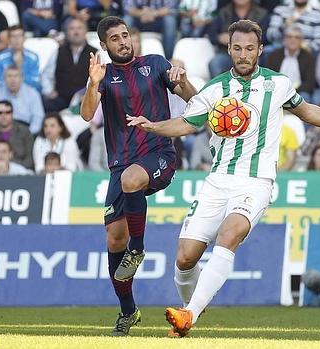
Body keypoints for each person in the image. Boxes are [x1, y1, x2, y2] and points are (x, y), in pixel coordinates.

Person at [125, 19, 320, 337]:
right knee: (185, 258)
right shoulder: (215, 89)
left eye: (250, 49)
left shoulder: (278, 84)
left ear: (259, 50)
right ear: (229, 49)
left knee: (229, 236)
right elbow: (187, 124)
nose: (243, 55)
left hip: (256, 182)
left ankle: (188, 314)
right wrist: (153, 125)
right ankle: (190, 314)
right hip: (218, 180)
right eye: (237, 48)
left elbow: (307, 110)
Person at [79, 16, 197, 336]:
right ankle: (128, 311)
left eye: (125, 35)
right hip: (121, 165)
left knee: (133, 181)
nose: (123, 41)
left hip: (159, 155)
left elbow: (193, 100)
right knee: (113, 239)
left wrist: (182, 80)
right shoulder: (104, 76)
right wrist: (92, 84)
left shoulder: (156, 64)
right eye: (115, 39)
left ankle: (138, 248)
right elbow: (87, 113)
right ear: (104, 46)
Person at [0, 100, 34, 169]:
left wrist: (11, 166)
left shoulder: (24, 132)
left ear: (12, 113)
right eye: (0, 113)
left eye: (7, 112)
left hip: (20, 173)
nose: (3, 116)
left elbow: (30, 160)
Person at [0, 25, 41, 92]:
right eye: (13, 36)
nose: (17, 39)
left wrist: (19, 67)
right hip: (6, 94)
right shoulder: (1, 57)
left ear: (24, 38)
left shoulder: (33, 57)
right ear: (9, 39)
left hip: (28, 94)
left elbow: (35, 82)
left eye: (19, 36)